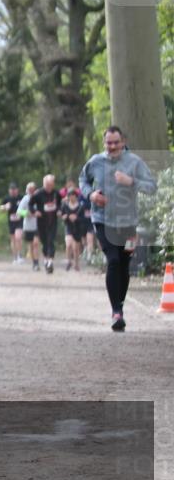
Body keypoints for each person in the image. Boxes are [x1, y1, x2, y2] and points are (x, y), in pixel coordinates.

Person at [79, 125, 157, 331]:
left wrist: (130, 181)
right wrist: (91, 195)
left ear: (123, 142)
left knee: (124, 265)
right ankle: (116, 312)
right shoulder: (95, 161)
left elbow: (151, 186)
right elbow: (83, 180)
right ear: (104, 143)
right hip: (102, 219)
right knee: (113, 260)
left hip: (129, 222)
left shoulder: (134, 162)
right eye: (108, 143)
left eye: (116, 142)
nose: (112, 146)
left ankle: (119, 307)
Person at [29, 174, 62, 274]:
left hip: (53, 221)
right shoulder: (38, 193)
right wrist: (35, 212)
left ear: (53, 184)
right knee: (44, 242)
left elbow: (60, 204)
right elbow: (30, 204)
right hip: (41, 222)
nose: (49, 187)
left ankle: (50, 261)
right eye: (47, 185)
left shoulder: (56, 193)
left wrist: (59, 210)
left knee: (50, 241)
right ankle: (46, 260)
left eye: (51, 185)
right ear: (44, 184)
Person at [60, 188, 87, 271]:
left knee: (75, 248)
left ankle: (76, 264)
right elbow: (62, 215)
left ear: (76, 196)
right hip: (68, 227)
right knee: (68, 245)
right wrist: (66, 217)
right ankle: (69, 261)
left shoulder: (81, 206)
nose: (71, 198)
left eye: (73, 196)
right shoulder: (65, 205)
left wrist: (76, 218)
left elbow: (83, 219)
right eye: (70, 196)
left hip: (77, 228)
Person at [17, 182, 41, 270]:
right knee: (31, 245)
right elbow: (18, 211)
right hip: (28, 225)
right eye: (29, 190)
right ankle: (34, 263)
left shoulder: (39, 198)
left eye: (32, 190)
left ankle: (37, 262)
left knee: (36, 243)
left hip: (38, 225)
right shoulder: (25, 199)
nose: (30, 192)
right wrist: (27, 213)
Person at [0, 182, 24, 263]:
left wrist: (22, 213)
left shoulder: (21, 198)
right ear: (9, 190)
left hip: (20, 221)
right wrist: (5, 207)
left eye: (14, 189)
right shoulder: (7, 199)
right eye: (11, 189)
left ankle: (20, 255)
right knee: (13, 239)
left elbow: (27, 208)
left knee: (18, 237)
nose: (13, 191)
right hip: (11, 221)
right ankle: (15, 257)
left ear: (17, 190)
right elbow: (0, 208)